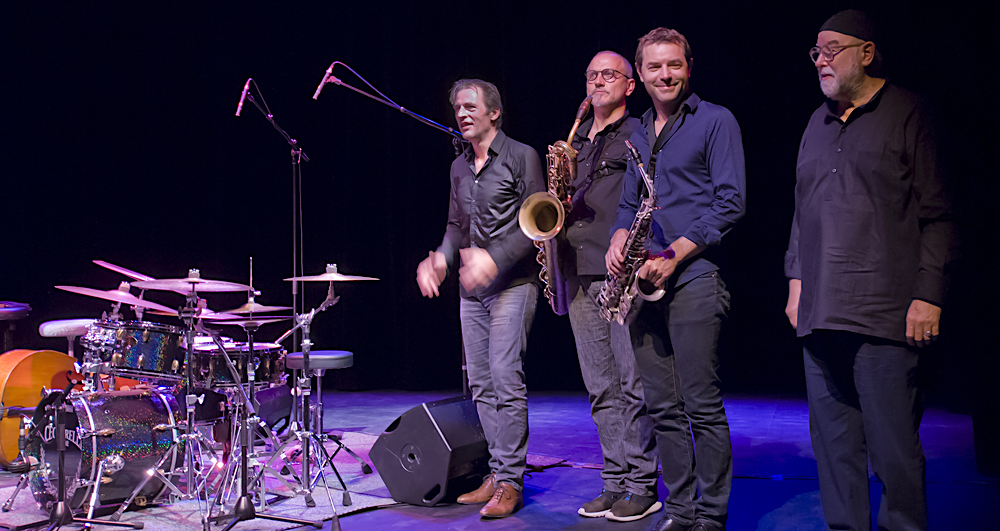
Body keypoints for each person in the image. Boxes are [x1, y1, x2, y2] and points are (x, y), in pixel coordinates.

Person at [784, 10, 957, 531]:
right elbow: (801, 211)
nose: (821, 60)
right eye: (815, 51)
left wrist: (930, 294)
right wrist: (795, 282)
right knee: (834, 449)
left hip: (884, 313)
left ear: (867, 51)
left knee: (894, 451)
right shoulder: (815, 123)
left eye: (833, 48)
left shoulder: (909, 113)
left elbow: (940, 213)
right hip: (819, 311)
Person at [606, 27, 746, 531]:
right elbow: (627, 202)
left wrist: (674, 254)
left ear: (689, 67)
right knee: (662, 407)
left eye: (674, 65)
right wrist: (619, 236)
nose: (665, 75)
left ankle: (711, 515)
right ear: (639, 75)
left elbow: (731, 202)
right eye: (654, 67)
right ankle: (681, 511)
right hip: (643, 282)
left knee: (701, 405)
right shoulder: (637, 131)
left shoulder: (715, 121)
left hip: (694, 277)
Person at [416, 79, 544, 519]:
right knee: (481, 383)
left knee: (506, 377)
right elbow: (456, 226)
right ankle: (496, 471)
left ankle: (510, 481)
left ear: (494, 112)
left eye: (471, 106)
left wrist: (494, 258)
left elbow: (537, 225)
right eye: (457, 108)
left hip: (513, 284)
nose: (462, 113)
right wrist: (440, 258)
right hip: (472, 292)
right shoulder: (458, 167)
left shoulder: (522, 156)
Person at [559, 50, 660, 522]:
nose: (599, 82)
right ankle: (614, 480)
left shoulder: (639, 131)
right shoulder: (577, 139)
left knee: (631, 382)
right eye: (592, 74)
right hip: (578, 268)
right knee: (600, 385)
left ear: (629, 84)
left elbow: (647, 194)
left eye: (609, 75)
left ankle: (642, 484)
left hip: (620, 269)